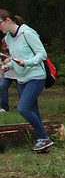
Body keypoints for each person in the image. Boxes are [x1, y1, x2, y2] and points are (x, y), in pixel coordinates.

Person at [0, 10, 53, 152]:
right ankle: (44, 142)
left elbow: (42, 54)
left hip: (36, 76)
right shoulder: (9, 38)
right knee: (33, 110)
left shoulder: (27, 33)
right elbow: (15, 58)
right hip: (21, 78)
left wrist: (27, 62)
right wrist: (7, 66)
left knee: (23, 108)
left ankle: (44, 138)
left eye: (0, 24)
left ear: (8, 20)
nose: (0, 28)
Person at [0, 38, 12, 112]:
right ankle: (4, 107)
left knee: (21, 89)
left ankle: (24, 106)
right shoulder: (5, 39)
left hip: (18, 72)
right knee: (2, 86)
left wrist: (10, 59)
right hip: (7, 72)